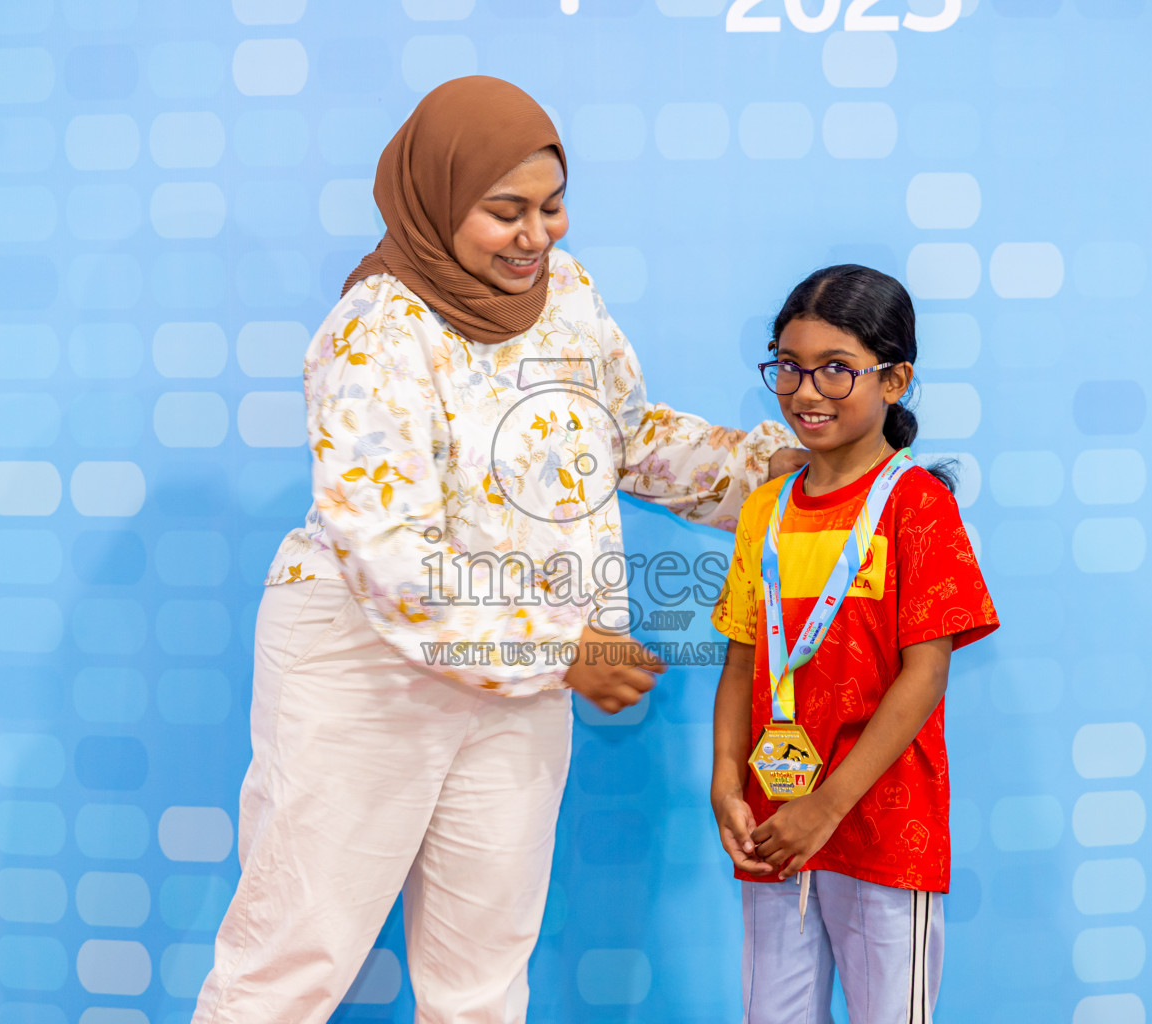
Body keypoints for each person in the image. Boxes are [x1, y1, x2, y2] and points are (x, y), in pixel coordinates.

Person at [191, 76, 805, 1023]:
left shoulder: (569, 299)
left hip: (524, 677)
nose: (537, 237)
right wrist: (564, 645)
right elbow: (386, 551)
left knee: (483, 977)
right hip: (366, 669)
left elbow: (627, 438)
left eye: (552, 208)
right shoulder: (373, 333)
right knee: (291, 958)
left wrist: (788, 475)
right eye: (503, 212)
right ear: (437, 204)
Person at [710, 265, 999, 1024]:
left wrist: (829, 806)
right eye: (790, 367)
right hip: (777, 825)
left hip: (880, 826)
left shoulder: (918, 505)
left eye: (837, 370)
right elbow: (744, 656)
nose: (807, 392)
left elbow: (924, 674)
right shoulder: (765, 509)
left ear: (895, 379)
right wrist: (724, 781)